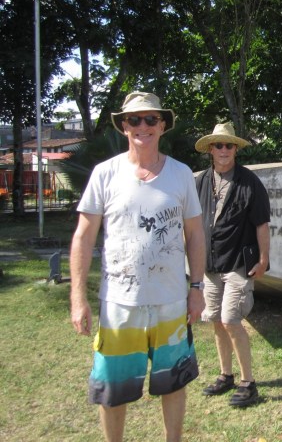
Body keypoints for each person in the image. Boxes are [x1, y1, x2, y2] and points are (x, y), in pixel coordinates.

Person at [70, 91, 206, 442]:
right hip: (118, 305)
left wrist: (197, 289)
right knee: (113, 390)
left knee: (173, 383)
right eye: (133, 120)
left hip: (171, 302)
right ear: (123, 126)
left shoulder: (181, 174)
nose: (142, 126)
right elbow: (84, 237)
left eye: (150, 119)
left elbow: (195, 236)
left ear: (162, 125)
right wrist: (77, 297)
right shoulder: (105, 174)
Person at [194, 122, 270, 407]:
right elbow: (193, 224)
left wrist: (263, 259)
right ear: (210, 150)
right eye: (218, 145)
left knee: (230, 320)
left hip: (239, 263)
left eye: (228, 145)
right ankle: (226, 375)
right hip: (211, 264)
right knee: (214, 320)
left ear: (235, 149)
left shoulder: (249, 182)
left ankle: (248, 383)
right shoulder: (201, 181)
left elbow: (262, 223)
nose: (223, 150)